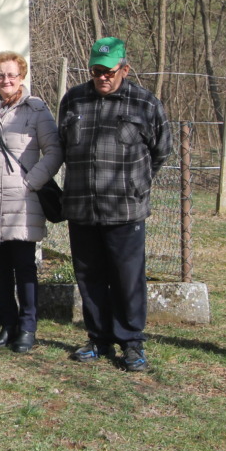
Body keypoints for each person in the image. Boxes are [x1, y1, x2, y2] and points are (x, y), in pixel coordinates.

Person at [59, 37, 172, 372]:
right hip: (82, 206)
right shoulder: (74, 100)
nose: (102, 77)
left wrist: (137, 183)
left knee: (127, 277)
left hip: (125, 209)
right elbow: (64, 145)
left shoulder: (144, 103)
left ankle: (132, 342)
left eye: (108, 71)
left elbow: (161, 150)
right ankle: (97, 337)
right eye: (96, 71)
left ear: (125, 68)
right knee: (89, 276)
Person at [0, 52, 62, 353]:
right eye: (1, 74)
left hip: (23, 203)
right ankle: (8, 324)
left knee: (24, 267)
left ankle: (28, 327)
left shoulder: (36, 109)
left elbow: (53, 151)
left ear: (21, 76)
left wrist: (32, 182)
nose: (6, 80)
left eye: (12, 75)